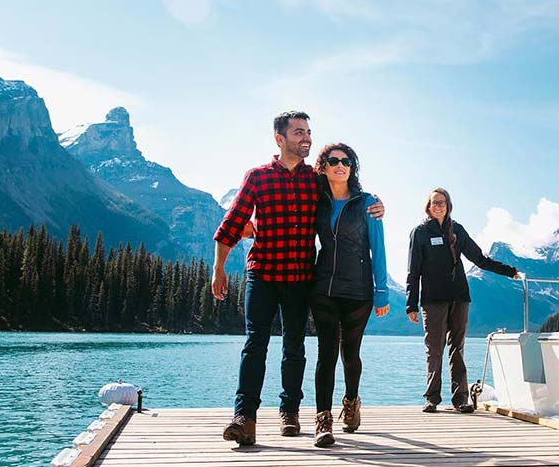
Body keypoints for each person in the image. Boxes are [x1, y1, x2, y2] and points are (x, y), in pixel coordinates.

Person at [212, 112, 383, 446]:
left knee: (295, 346)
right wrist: (218, 269)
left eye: (308, 132)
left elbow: (345, 190)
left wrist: (375, 205)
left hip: (301, 277)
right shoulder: (257, 177)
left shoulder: (314, 180)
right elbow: (231, 224)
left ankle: (289, 412)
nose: (306, 138)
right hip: (261, 274)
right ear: (280, 139)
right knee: (254, 344)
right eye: (298, 132)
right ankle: (244, 418)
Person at [406, 188, 520, 413]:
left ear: (448, 205)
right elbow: (413, 270)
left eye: (442, 202)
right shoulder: (419, 233)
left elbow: (479, 259)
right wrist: (411, 303)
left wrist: (509, 271)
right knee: (435, 349)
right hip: (432, 300)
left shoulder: (457, 230)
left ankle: (460, 399)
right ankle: (432, 398)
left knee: (457, 348)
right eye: (434, 202)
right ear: (428, 207)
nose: (438, 206)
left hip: (459, 297)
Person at [309, 143, 389, 447]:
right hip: (324, 287)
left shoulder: (367, 203)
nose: (340, 165)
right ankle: (323, 419)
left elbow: (377, 248)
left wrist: (381, 292)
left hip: (358, 289)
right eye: (333, 161)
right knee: (326, 352)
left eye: (346, 161)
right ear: (324, 167)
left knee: (350, 352)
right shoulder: (318, 201)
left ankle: (352, 401)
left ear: (352, 168)